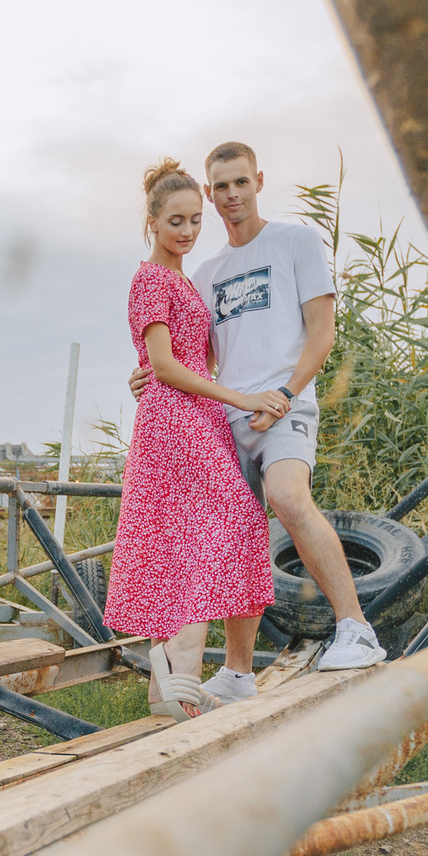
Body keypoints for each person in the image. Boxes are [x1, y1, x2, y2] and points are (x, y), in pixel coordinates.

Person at [132, 140, 387, 698]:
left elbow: (322, 333)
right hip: (223, 419)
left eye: (240, 182)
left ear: (259, 181)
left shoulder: (294, 241)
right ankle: (237, 674)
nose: (230, 195)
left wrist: (283, 393)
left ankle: (357, 630)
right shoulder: (206, 272)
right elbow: (195, 355)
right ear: (208, 192)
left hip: (284, 407)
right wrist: (148, 374)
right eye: (219, 186)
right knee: (235, 536)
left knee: (289, 497)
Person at [101, 158, 280, 719]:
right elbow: (163, 364)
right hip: (176, 420)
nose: (187, 231)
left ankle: (169, 688)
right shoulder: (152, 278)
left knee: (198, 536)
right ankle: (179, 678)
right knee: (216, 528)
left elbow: (187, 357)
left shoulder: (183, 280)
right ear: (152, 221)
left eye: (195, 221)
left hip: (195, 417)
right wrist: (241, 397)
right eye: (175, 220)